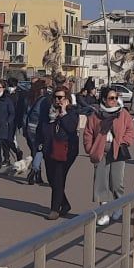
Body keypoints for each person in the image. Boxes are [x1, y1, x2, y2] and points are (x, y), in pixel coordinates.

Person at [83, 87, 134, 226]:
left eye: (115, 98)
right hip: (101, 151)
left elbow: (130, 130)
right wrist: (90, 149)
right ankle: (104, 213)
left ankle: (119, 207)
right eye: (110, 98)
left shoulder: (123, 113)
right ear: (103, 99)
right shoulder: (95, 115)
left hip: (118, 151)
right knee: (101, 183)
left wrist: (124, 142)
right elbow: (88, 133)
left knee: (116, 182)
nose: (114, 101)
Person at [36, 87, 80, 220]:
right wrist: (38, 145)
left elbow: (71, 128)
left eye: (60, 97)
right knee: (51, 179)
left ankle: (54, 209)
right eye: (55, 97)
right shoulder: (48, 112)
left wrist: (64, 113)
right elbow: (40, 129)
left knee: (59, 179)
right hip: (49, 150)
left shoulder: (72, 112)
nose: (57, 100)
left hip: (66, 151)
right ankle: (65, 204)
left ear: (66, 99)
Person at [21, 80, 49, 185]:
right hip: (39, 128)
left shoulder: (28, 99)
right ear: (41, 89)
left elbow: (25, 115)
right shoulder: (44, 101)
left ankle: (37, 175)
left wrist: (24, 128)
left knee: (35, 151)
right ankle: (35, 171)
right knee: (40, 150)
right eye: (44, 88)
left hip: (29, 128)